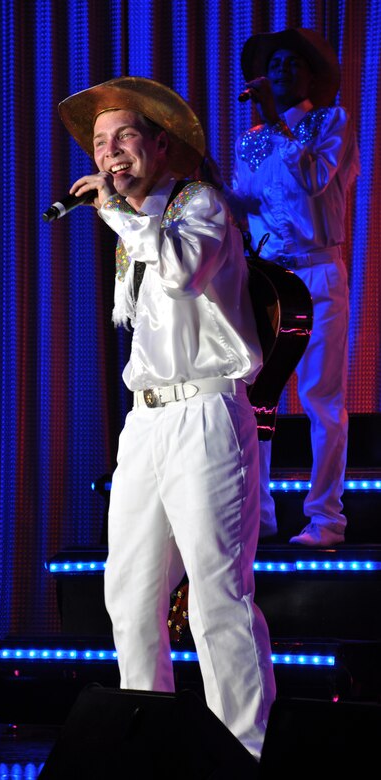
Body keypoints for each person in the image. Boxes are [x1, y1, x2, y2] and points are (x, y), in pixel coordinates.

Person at [58, 76, 276, 761]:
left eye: (124, 137)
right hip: (146, 422)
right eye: (99, 143)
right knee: (128, 592)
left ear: (160, 144)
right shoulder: (139, 227)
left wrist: (121, 210)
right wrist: (128, 216)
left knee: (216, 596)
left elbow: (182, 271)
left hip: (206, 413)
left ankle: (245, 751)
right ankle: (144, 744)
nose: (110, 153)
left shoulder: (203, 207)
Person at [216, 29, 360, 547]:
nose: (279, 71)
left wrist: (279, 125)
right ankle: (262, 512)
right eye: (273, 64)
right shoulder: (252, 137)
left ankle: (326, 519)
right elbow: (252, 208)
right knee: (260, 397)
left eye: (290, 63)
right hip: (271, 277)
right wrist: (217, 189)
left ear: (309, 74)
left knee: (321, 397)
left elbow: (315, 180)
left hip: (319, 274)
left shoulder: (330, 122)